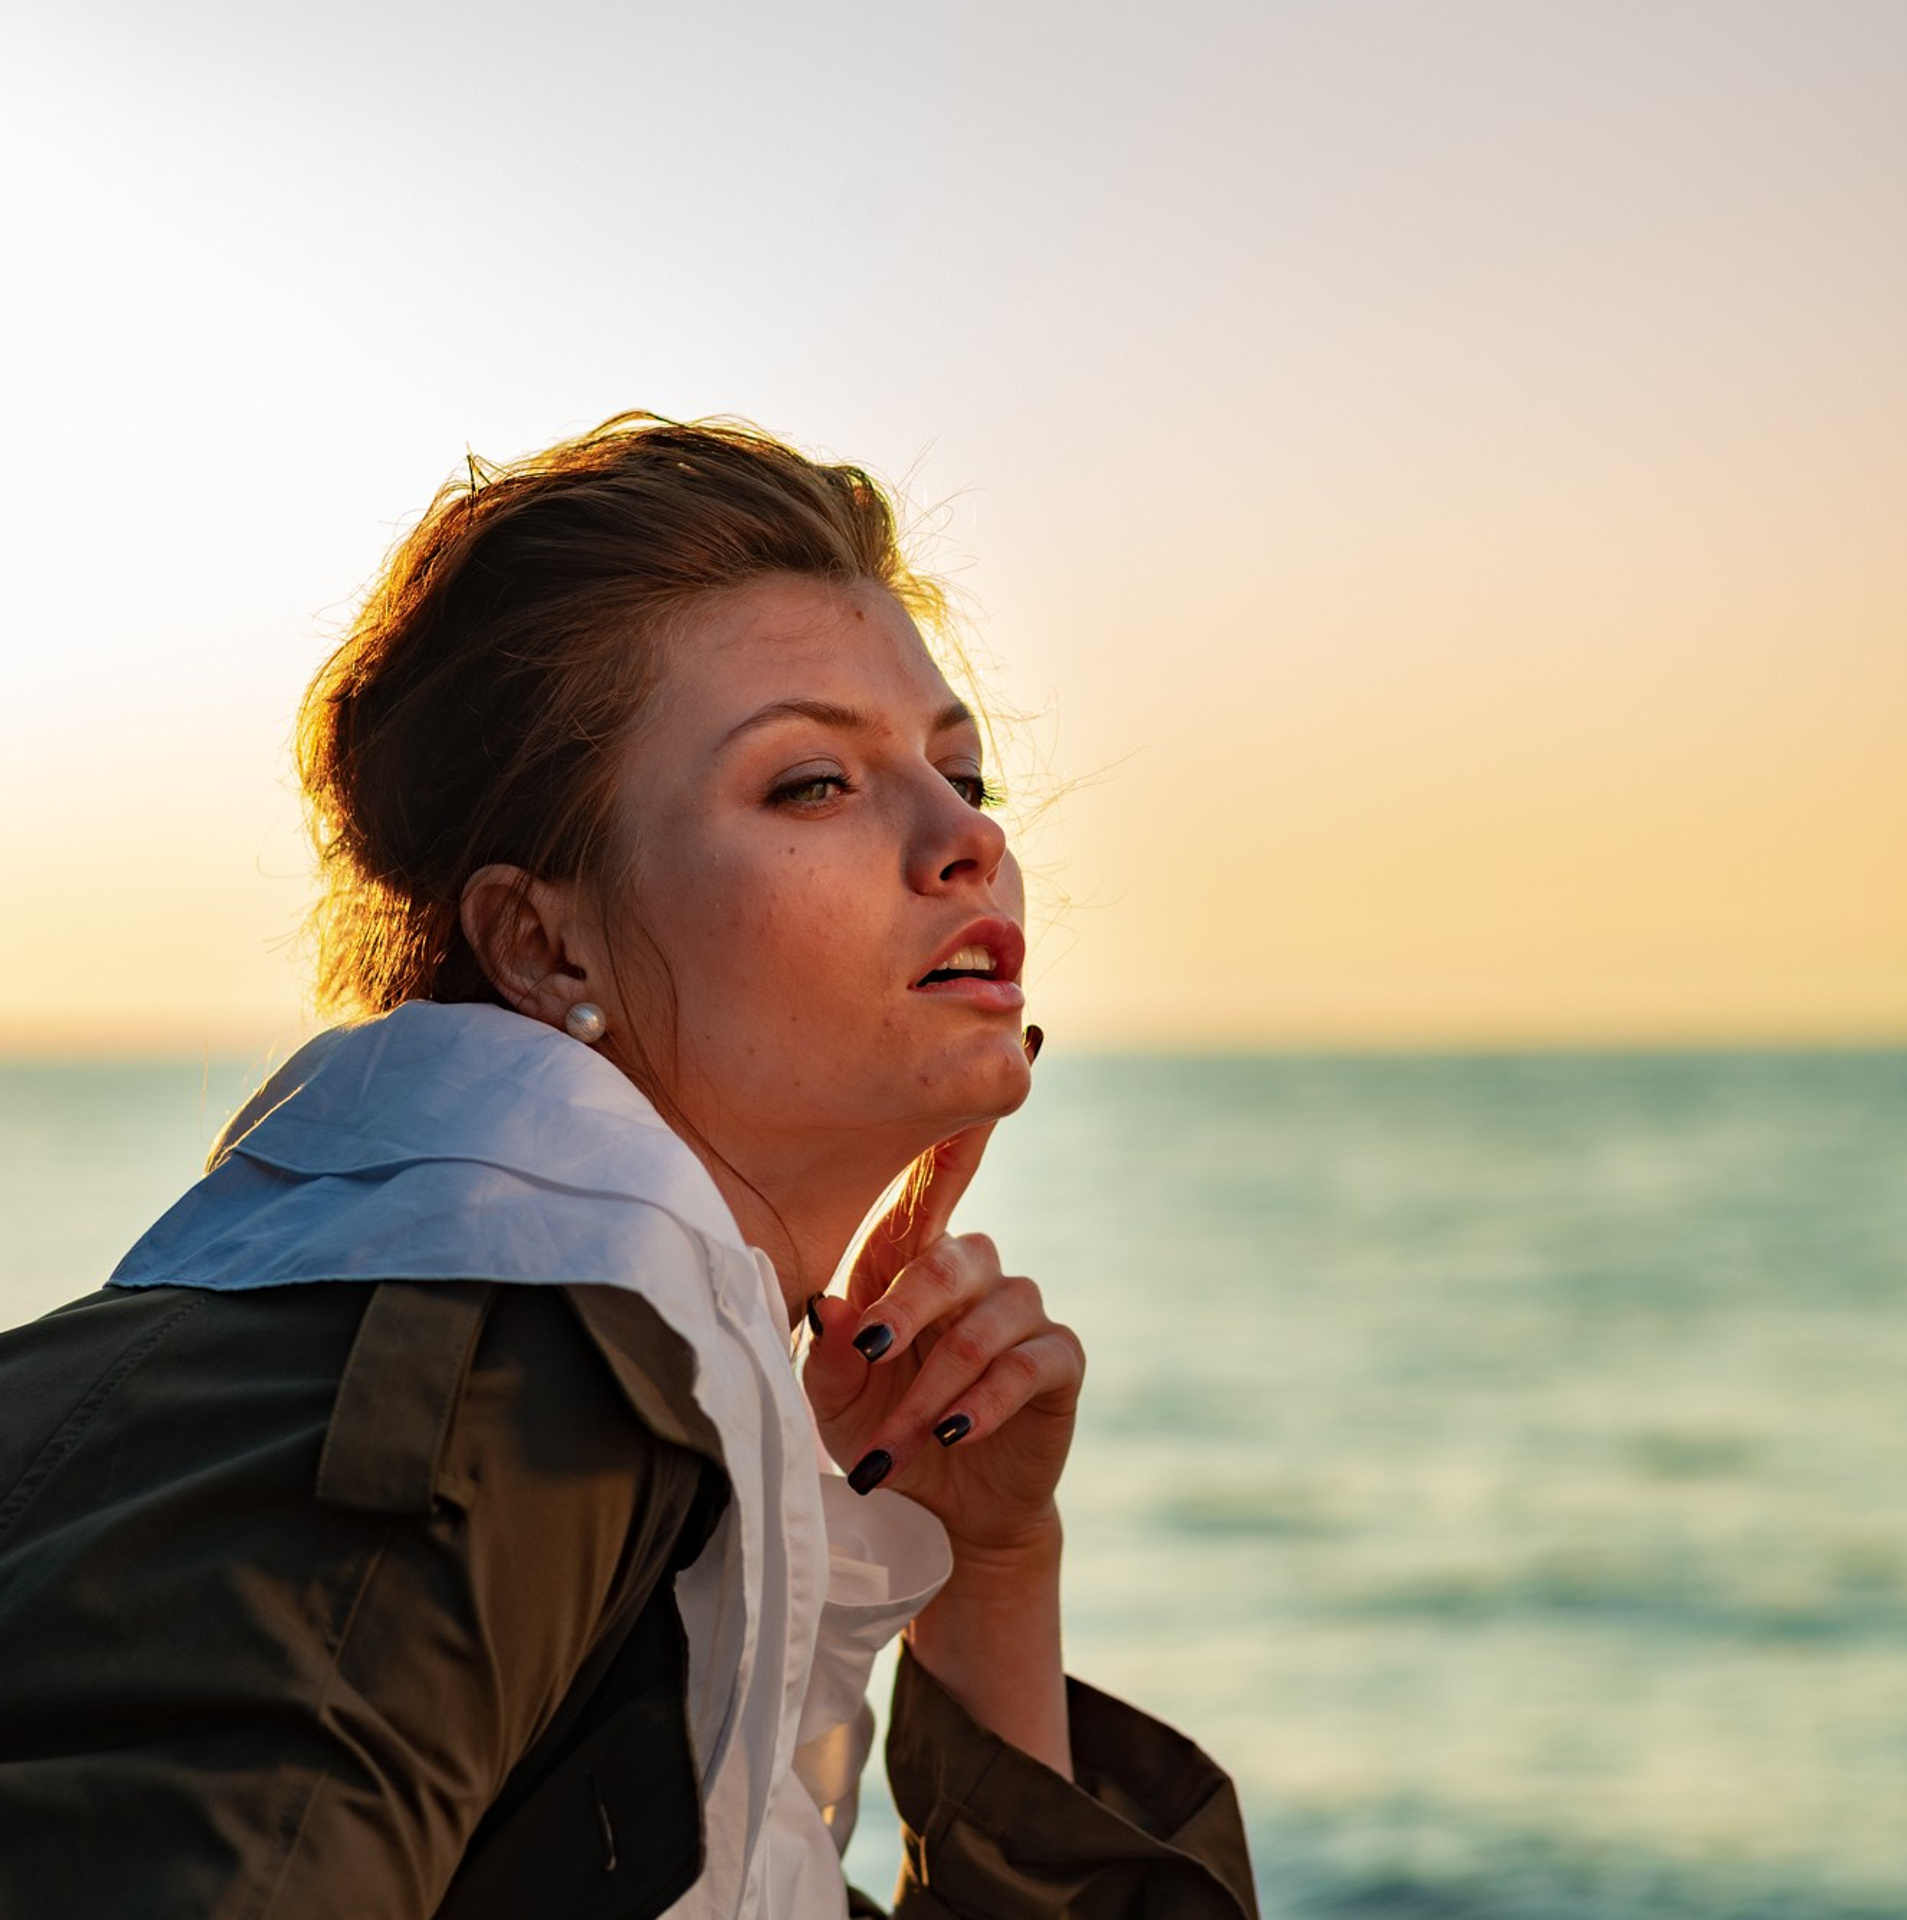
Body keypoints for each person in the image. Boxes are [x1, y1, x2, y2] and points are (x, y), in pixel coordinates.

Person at [0, 415, 1259, 1919]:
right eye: (813, 783)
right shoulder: (482, 1399)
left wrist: (989, 1576)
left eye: (965, 774)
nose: (964, 842)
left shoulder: (616, 1380)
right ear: (544, 945)